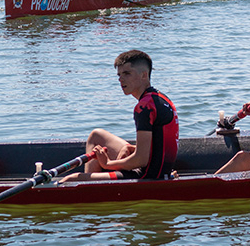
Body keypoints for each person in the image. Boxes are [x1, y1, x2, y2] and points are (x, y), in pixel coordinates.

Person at [59, 50, 178, 182]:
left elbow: (141, 160)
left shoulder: (144, 107)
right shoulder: (161, 98)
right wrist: (132, 148)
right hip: (162, 170)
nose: (121, 79)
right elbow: (160, 142)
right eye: (119, 75)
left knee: (71, 179)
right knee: (97, 135)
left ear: (144, 75)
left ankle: (90, 185)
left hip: (147, 176)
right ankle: (94, 184)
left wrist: (107, 164)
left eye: (127, 73)